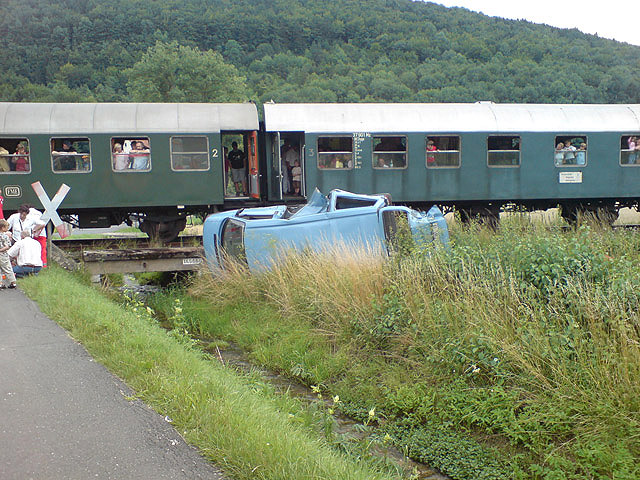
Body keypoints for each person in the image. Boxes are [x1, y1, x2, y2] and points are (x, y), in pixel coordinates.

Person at [0, 219, 17, 288]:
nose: (7, 229)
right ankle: (13, 282)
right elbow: (7, 246)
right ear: (3, 228)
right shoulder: (5, 236)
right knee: (8, 268)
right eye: (7, 227)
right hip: (3, 255)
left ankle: (0, 283)